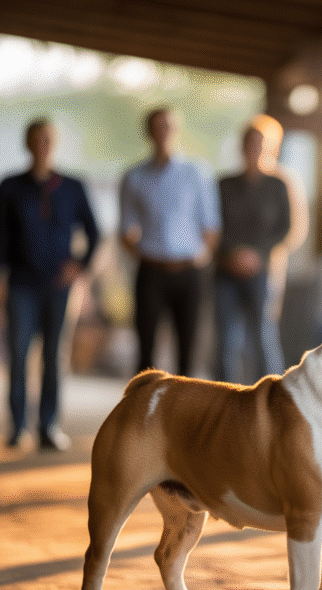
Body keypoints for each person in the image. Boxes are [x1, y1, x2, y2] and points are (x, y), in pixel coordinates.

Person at [0, 117, 99, 450]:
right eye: (35, 139)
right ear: (28, 144)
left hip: (59, 285)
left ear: (53, 143)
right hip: (20, 285)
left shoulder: (72, 186)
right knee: (18, 355)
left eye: (47, 139)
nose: (41, 144)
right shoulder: (10, 186)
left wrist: (80, 267)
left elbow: (94, 233)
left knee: (55, 356)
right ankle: (18, 428)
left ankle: (48, 425)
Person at [119, 107, 219, 377]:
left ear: (176, 130)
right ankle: (143, 417)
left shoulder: (197, 173)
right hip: (151, 272)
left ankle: (184, 418)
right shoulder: (134, 177)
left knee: (188, 353)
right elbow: (126, 229)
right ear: (148, 132)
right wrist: (148, 255)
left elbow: (211, 225)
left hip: (189, 273)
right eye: (157, 126)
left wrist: (198, 255)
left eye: (168, 126)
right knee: (145, 354)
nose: (163, 131)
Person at [215, 116, 292, 383]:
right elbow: (213, 226)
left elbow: (286, 228)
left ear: (269, 147)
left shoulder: (278, 185)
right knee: (226, 340)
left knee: (262, 336)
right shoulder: (224, 184)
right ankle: (226, 401)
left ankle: (272, 400)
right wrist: (232, 254)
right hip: (226, 270)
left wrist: (257, 254)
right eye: (250, 143)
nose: (254, 148)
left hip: (261, 271)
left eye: (260, 143)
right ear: (242, 146)